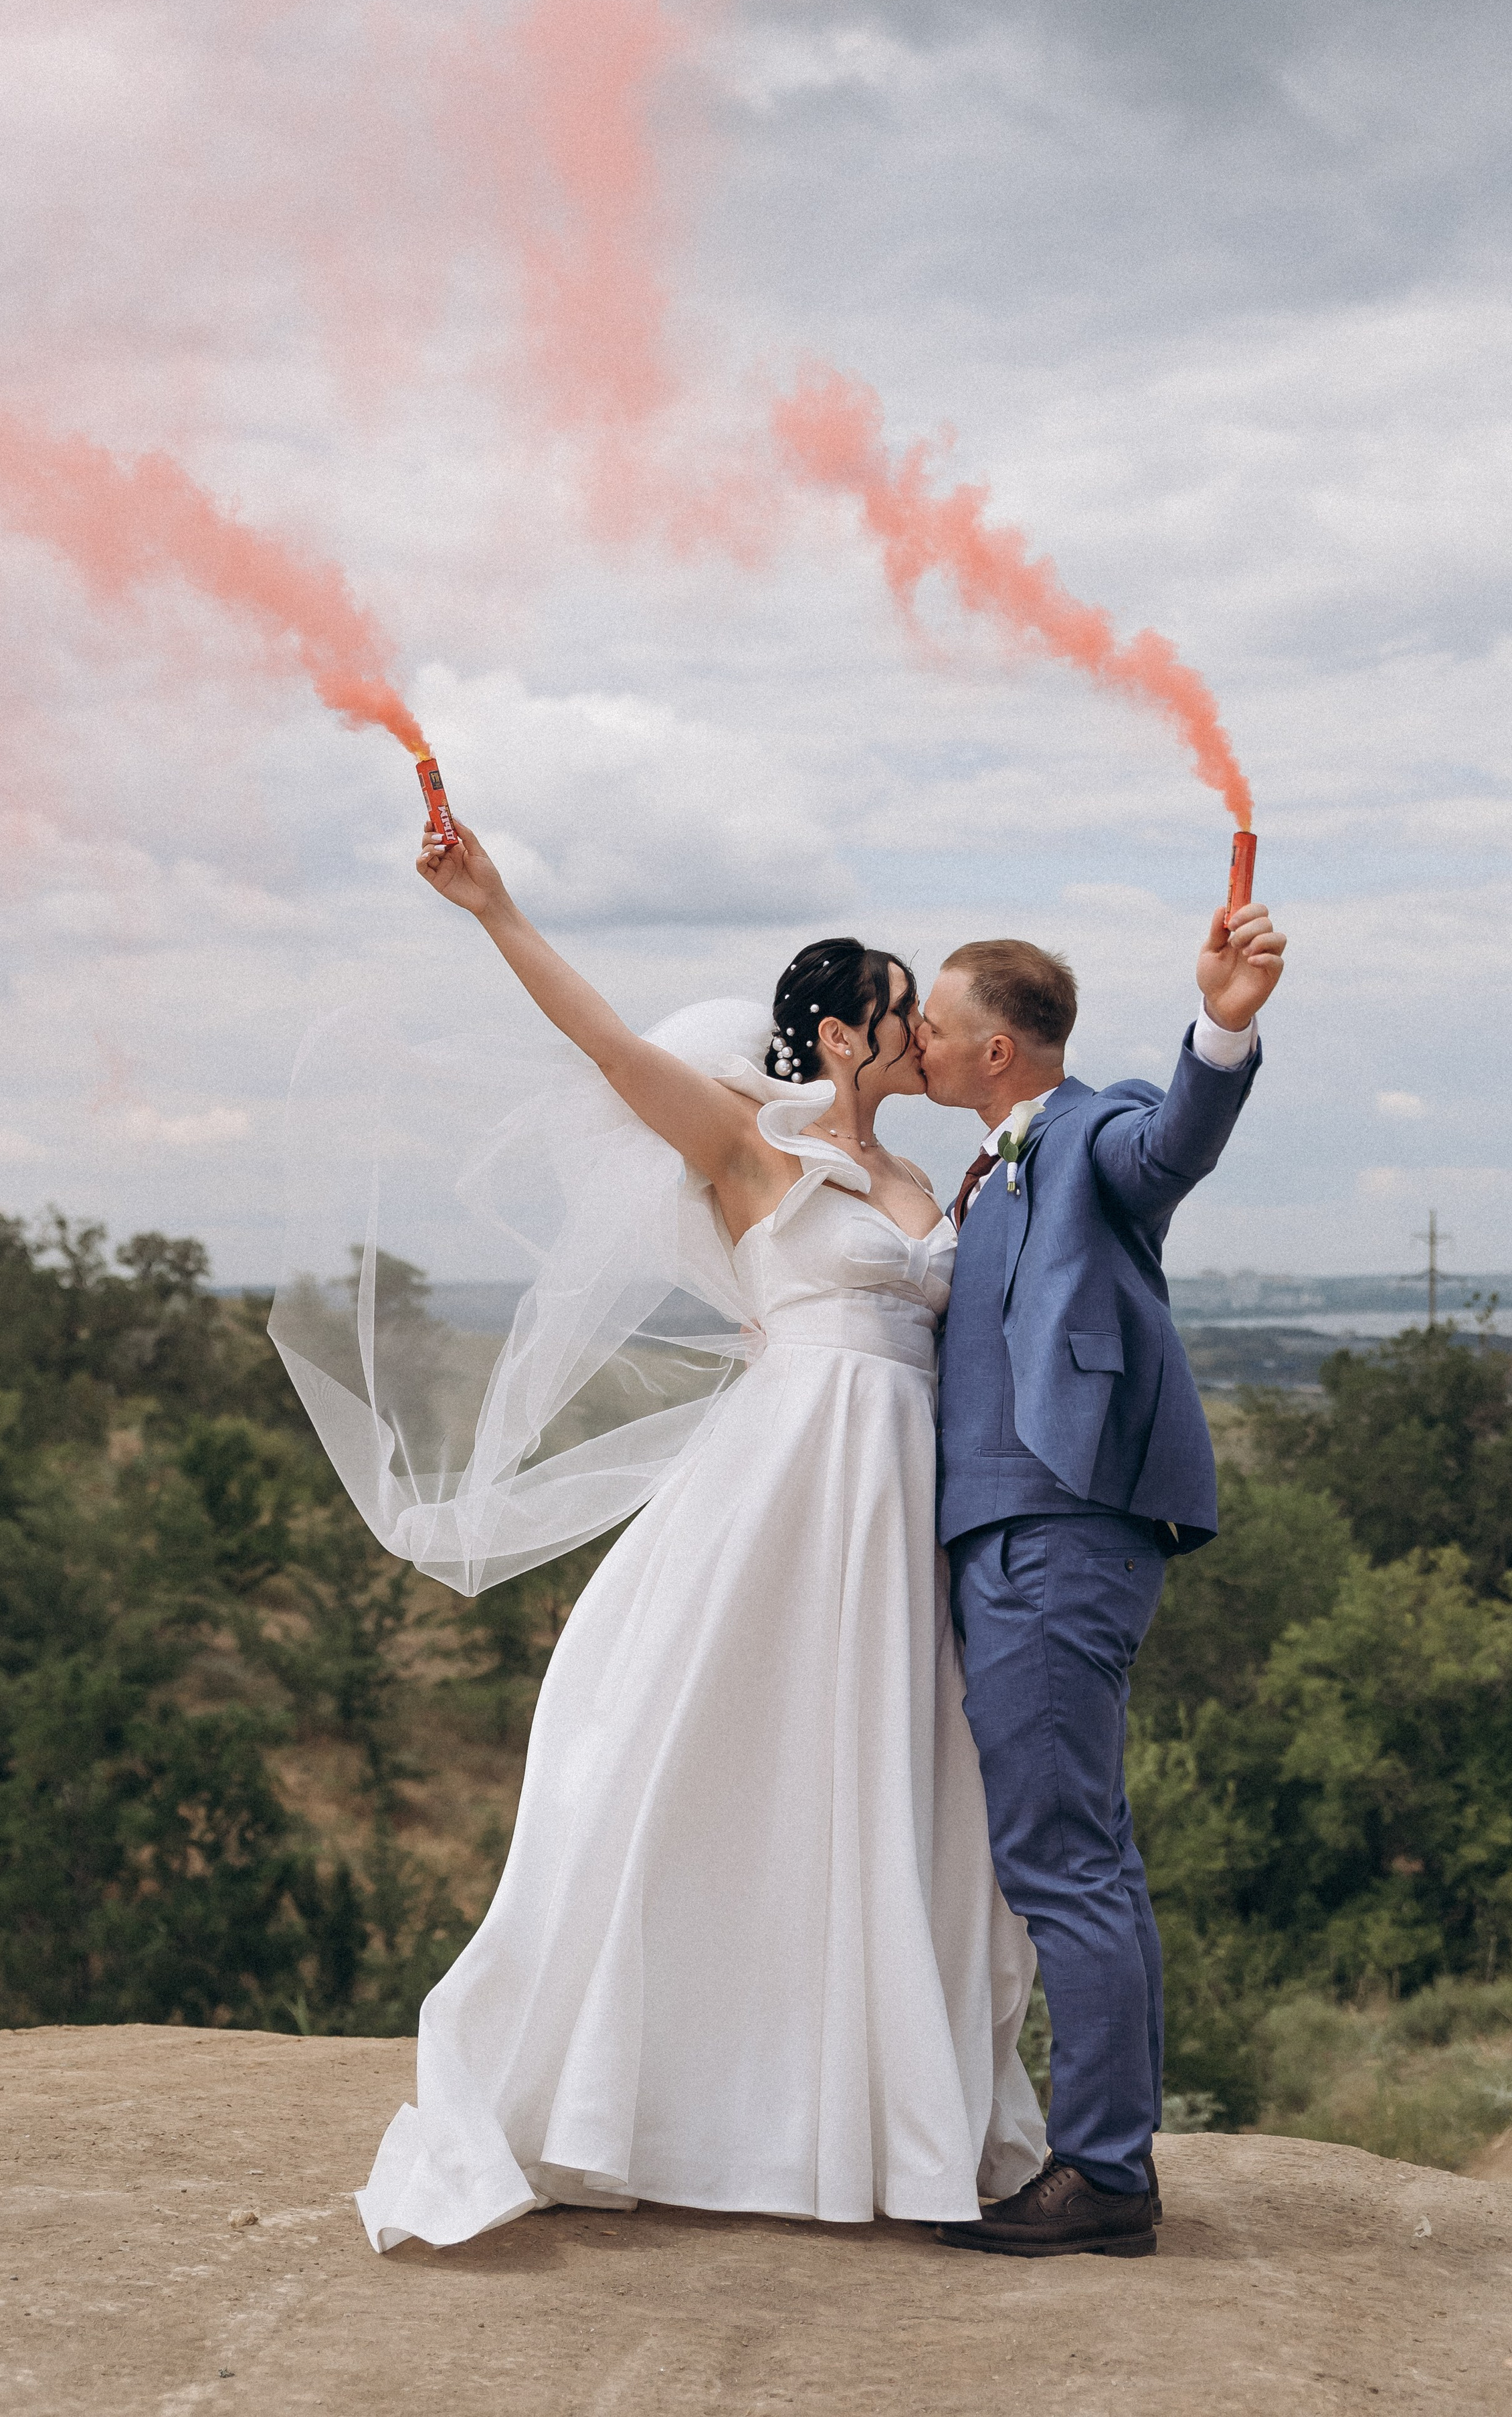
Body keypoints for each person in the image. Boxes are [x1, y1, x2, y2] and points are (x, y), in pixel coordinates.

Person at [349, 820, 1044, 2249]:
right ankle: (666, 2094)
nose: (923, 1032)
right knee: (729, 1762)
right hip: (789, 1485)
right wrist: (496, 906)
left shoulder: (928, 1185)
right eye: (903, 1010)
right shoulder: (745, 1147)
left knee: (895, 1775)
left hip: (903, 1498)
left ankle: (874, 2110)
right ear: (844, 1035)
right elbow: (606, 1046)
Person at [915, 898, 1285, 2258]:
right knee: (1080, 1855)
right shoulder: (984, 1168)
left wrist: (1222, 1027)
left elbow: (1170, 1143)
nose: (918, 1044)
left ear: (996, 1050)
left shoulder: (1085, 1130)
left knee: (1063, 1861)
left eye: (934, 1027)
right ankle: (1102, 2157)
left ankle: (1106, 2173)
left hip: (1057, 1531)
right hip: (1010, 1538)